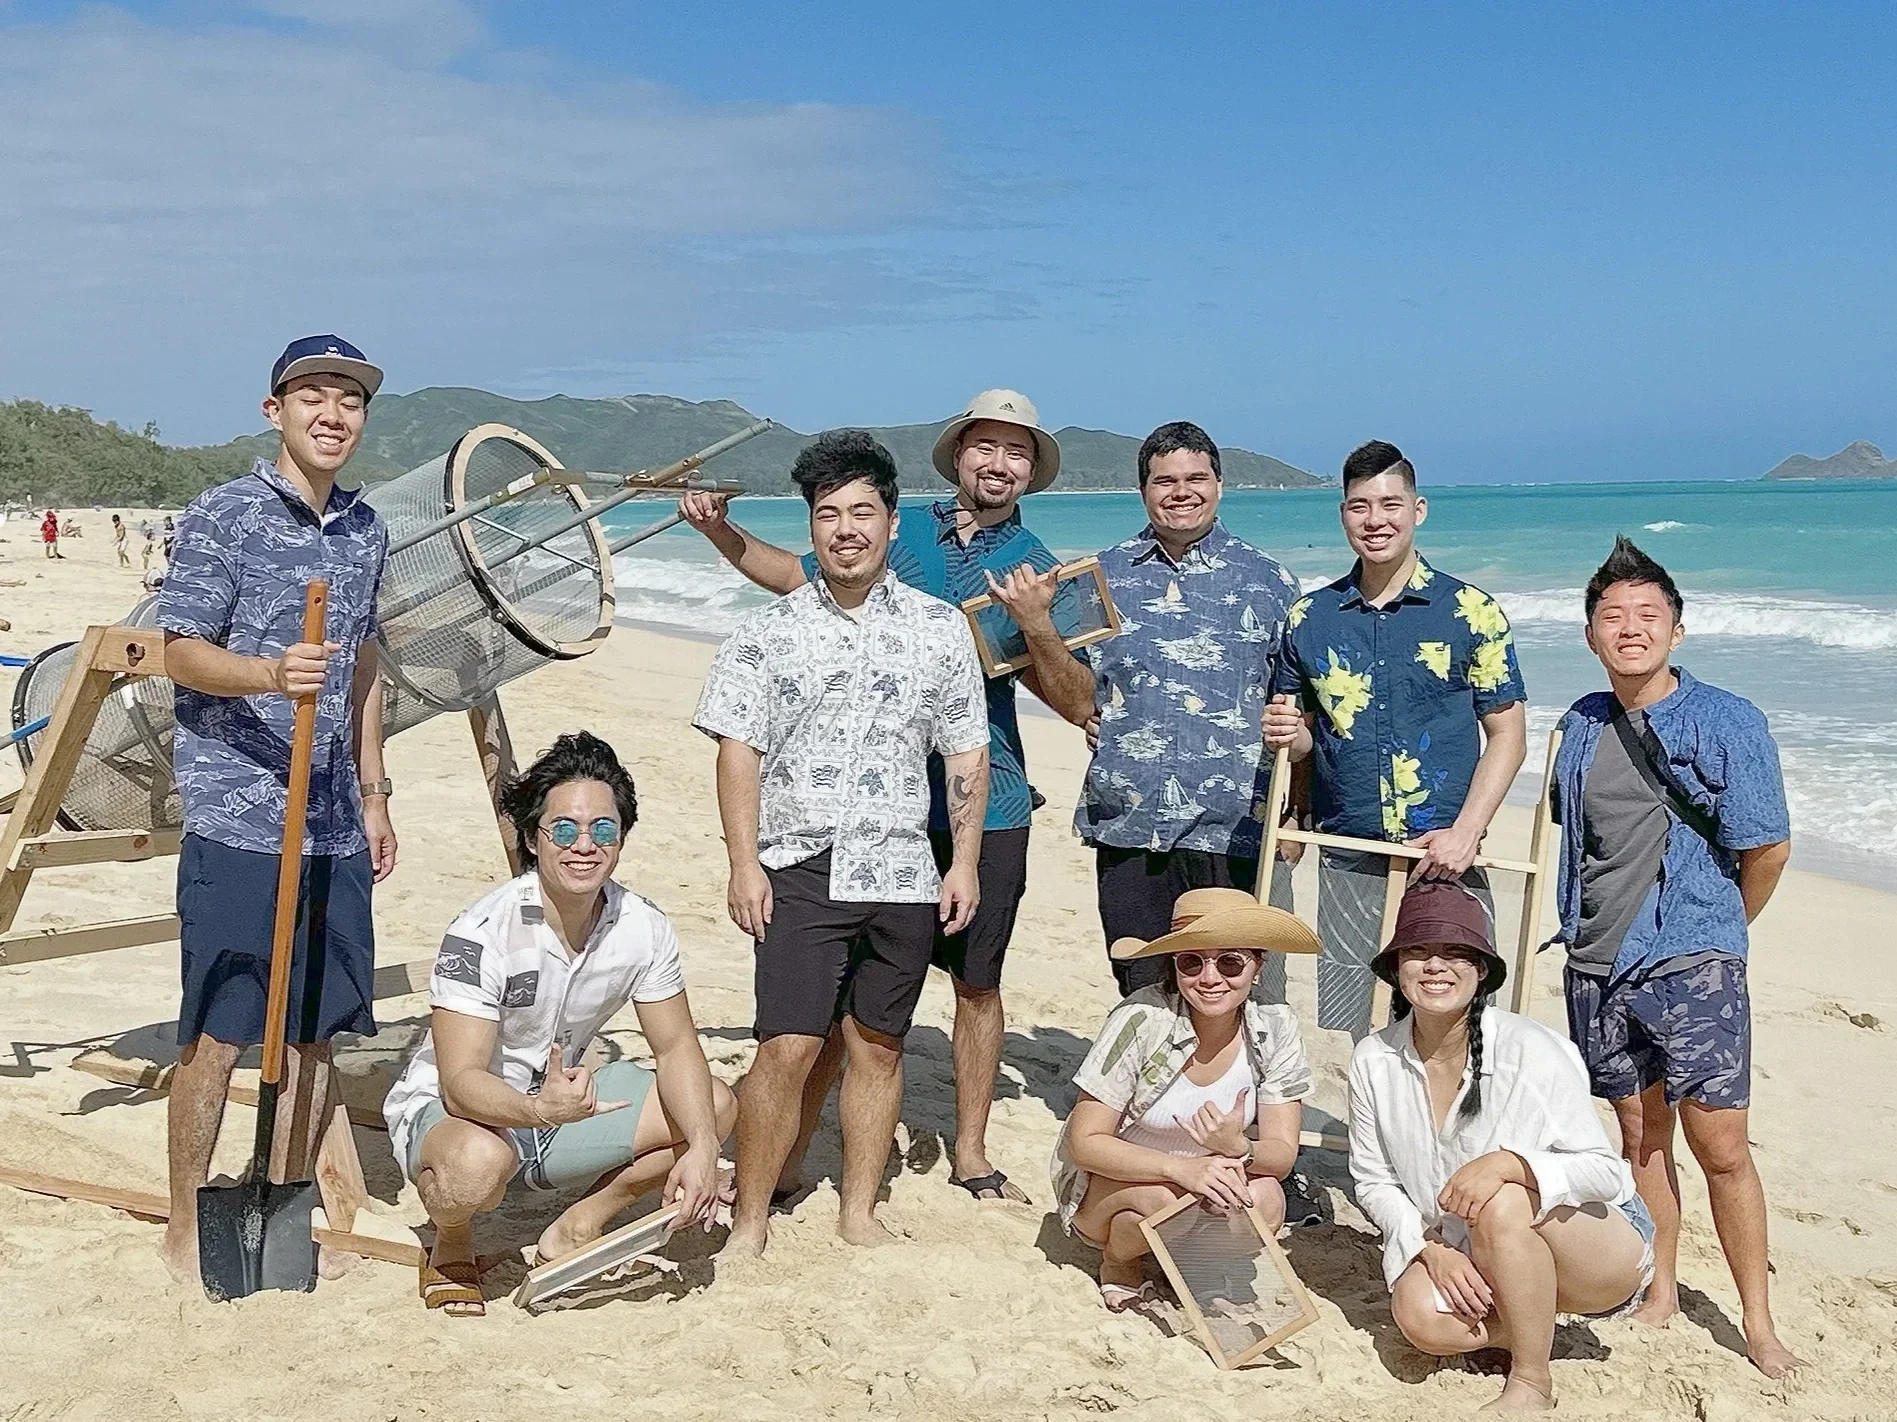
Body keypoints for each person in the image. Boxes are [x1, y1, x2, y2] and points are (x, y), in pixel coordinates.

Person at [682, 390, 1059, 1203]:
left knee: (974, 985)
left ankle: (969, 1151)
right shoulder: (898, 523)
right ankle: (777, 1164)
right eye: (984, 446)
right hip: (857, 817)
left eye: (1016, 452)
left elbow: (1066, 696)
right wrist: (717, 531)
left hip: (979, 805)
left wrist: (1037, 625)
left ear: (1030, 470)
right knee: (824, 1011)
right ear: (956, 454)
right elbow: (790, 576)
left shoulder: (1039, 561)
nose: (998, 463)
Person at [153, 335, 397, 1285]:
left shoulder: (368, 529)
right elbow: (178, 648)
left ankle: (284, 1199)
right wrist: (265, 672)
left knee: (317, 1032)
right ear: (275, 410)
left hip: (332, 813)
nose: (334, 415)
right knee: (219, 1028)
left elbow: (365, 666)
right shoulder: (223, 515)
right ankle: (184, 1222)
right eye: (315, 397)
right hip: (239, 811)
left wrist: (374, 791)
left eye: (351, 400)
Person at [1551, 537, 1801, 1377]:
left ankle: (1756, 1324)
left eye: (1647, 615)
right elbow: (1583, 849)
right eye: (1612, 616)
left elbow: (1765, 846)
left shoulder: (1729, 721)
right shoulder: (1579, 724)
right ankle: (1660, 1285)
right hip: (1596, 962)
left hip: (1692, 960)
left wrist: (1720, 933)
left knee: (1721, 1145)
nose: (1630, 629)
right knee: (1637, 1138)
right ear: (1589, 634)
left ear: (1677, 630)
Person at [383, 732, 737, 1316]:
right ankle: (452, 1242)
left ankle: (577, 1226)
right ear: (532, 838)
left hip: (558, 1106)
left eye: (603, 829)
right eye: (564, 830)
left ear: (621, 839)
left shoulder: (642, 926)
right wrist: (538, 1111)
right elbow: (459, 1081)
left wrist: (703, 1149)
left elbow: (676, 1049)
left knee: (715, 1107)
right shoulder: (483, 931)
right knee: (475, 1168)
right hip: (459, 1115)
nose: (584, 846)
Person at [996, 420, 1301, 997]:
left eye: (1196, 478)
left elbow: (1297, 708)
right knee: (1140, 988)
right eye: (1165, 481)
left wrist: (1297, 812)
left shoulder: (1271, 583)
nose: (1181, 491)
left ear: (1218, 484)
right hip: (1129, 822)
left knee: (1230, 991)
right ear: (1144, 491)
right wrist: (1038, 630)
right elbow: (1075, 696)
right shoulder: (1100, 577)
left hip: (1233, 826)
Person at [1349, 879, 1654, 1413]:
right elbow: (1374, 1181)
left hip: (1594, 1248)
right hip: (1467, 1242)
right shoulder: (1373, 1058)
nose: (1436, 966)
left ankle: (1531, 1381)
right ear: (1397, 970)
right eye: (1418, 951)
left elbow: (1607, 1174)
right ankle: (1524, 1321)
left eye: (1456, 953)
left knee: (1502, 1197)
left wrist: (1511, 1164)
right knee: (1419, 1317)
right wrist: (1428, 1248)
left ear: (1482, 971)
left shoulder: (1533, 1049)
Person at [1264, 440, 1526, 1039]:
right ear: (1343, 515)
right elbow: (1305, 742)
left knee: (1452, 1016)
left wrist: (1465, 834)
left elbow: (1508, 735)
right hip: (1349, 846)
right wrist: (1289, 737)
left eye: (1390, 504)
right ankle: (1366, 1133)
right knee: (1349, 1017)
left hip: (1443, 852)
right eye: (1360, 506)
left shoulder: (1471, 611)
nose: (1375, 520)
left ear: (1419, 509)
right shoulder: (1309, 618)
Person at [1051, 888, 1314, 1311]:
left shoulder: (1275, 1027)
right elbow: (1084, 1144)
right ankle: (1119, 1262)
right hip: (1119, 1187)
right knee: (1165, 1201)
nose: (1210, 978)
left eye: (1230, 962)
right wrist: (1183, 1169)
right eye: (1192, 961)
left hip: (1211, 1181)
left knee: (1267, 1200)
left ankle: (1193, 1264)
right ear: (1175, 967)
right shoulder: (1141, 1019)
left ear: (1257, 967)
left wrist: (1238, 1148)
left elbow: (1281, 1156)